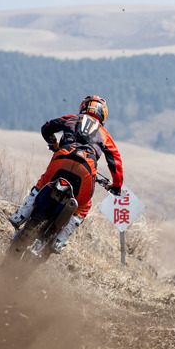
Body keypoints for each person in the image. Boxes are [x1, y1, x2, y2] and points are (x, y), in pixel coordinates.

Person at [9, 95, 123, 253]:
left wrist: (53, 143)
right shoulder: (104, 134)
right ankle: (62, 238)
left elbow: (46, 127)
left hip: (61, 159)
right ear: (103, 114)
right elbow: (115, 163)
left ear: (83, 107)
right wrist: (116, 186)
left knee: (43, 183)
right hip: (86, 169)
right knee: (83, 206)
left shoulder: (71, 118)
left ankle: (22, 213)